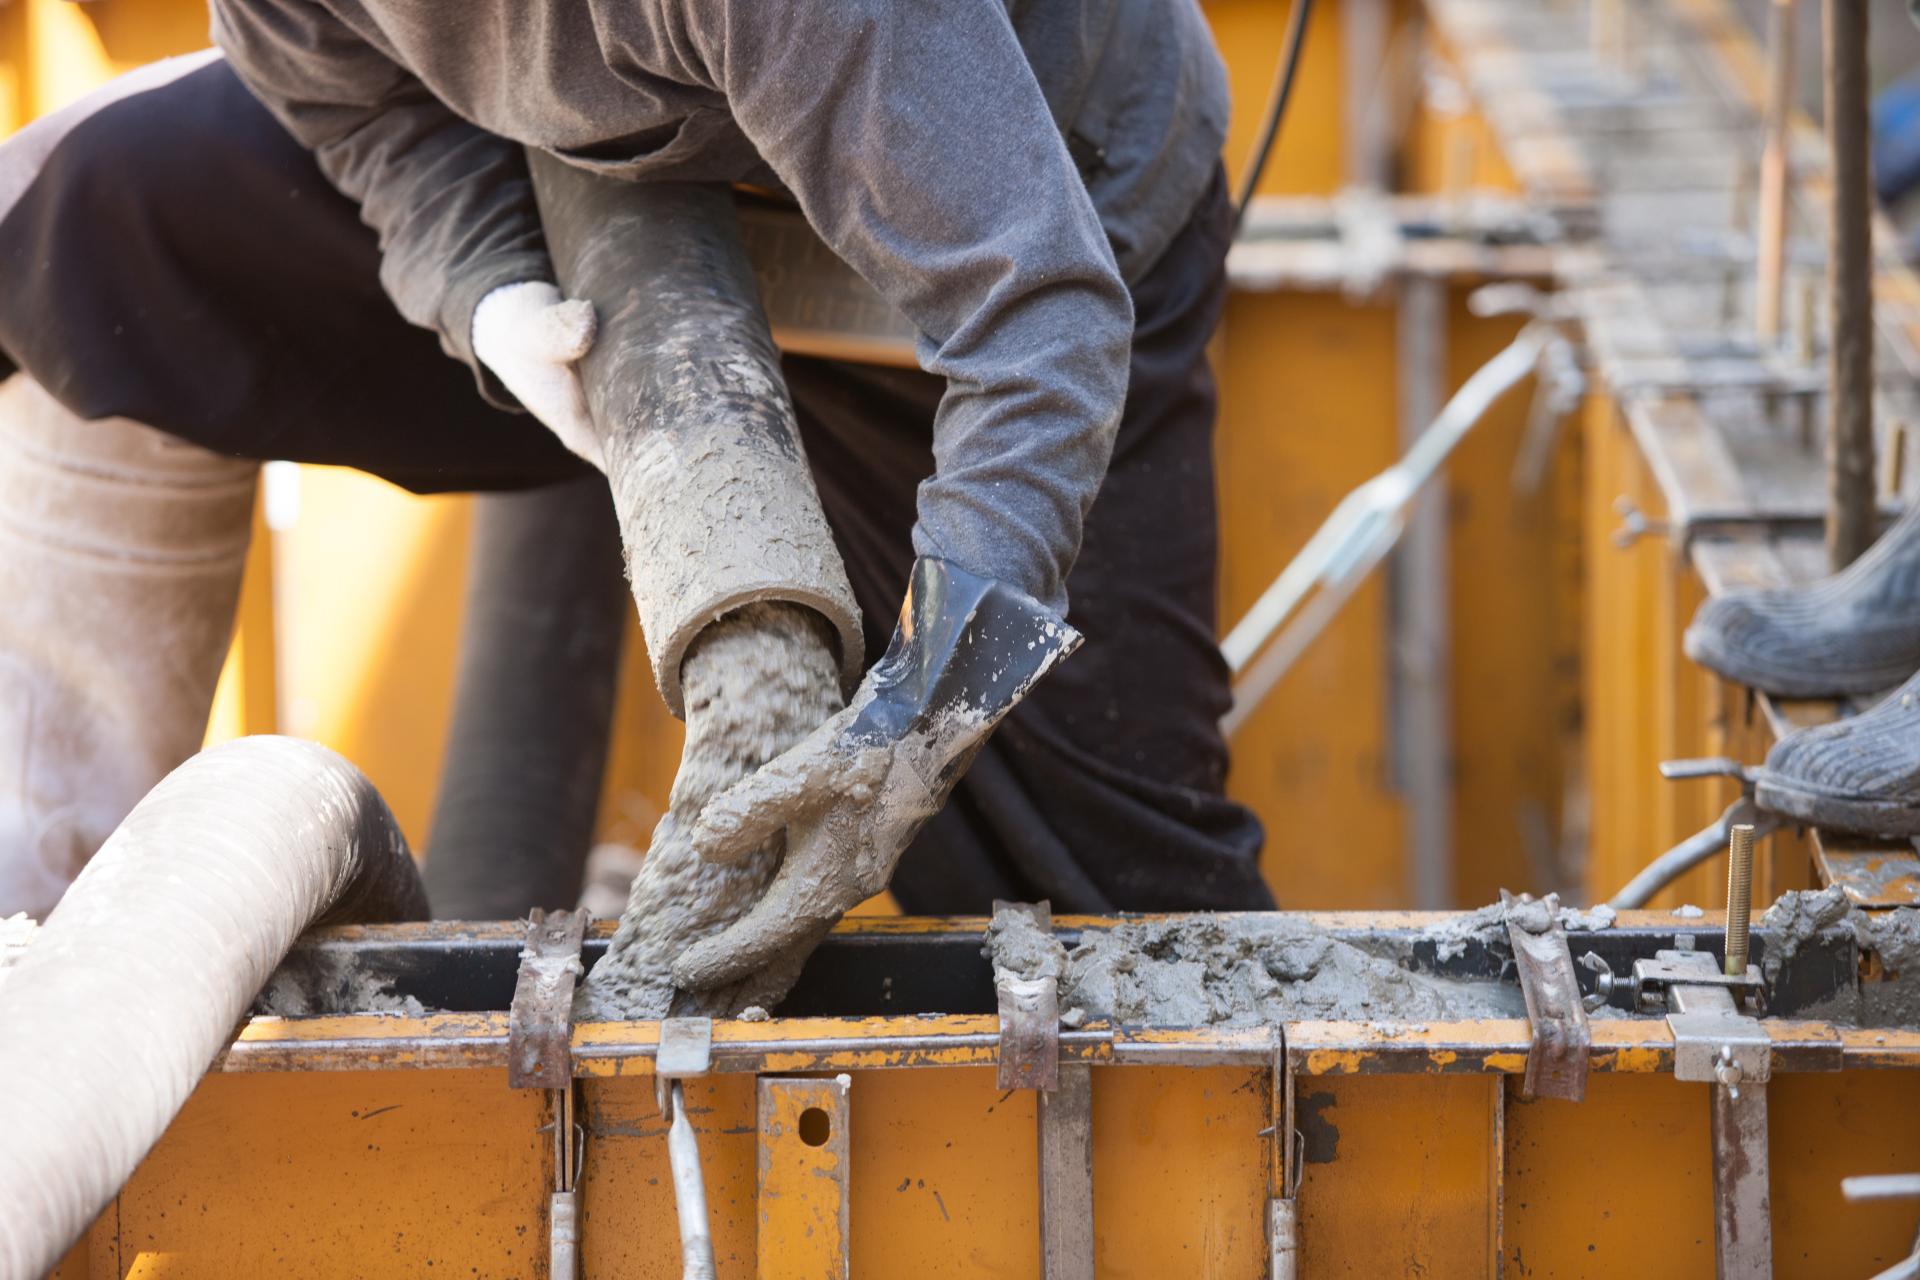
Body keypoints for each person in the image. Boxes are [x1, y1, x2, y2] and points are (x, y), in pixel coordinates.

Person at [0, 0, 1276, 989]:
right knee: (82, 219)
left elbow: (1035, 316)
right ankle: (51, 941)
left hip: (973, 260)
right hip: (599, 213)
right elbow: (351, 96)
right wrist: (486, 288)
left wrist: (920, 724)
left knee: (1123, 915)